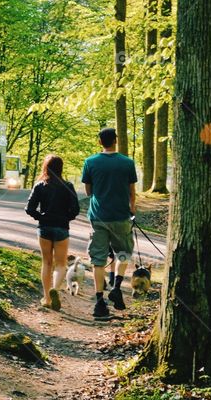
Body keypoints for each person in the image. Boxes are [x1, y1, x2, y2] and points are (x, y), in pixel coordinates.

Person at [81, 127, 137, 319]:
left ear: (100, 142)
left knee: (98, 260)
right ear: (116, 140)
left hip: (98, 217)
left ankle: (99, 302)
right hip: (121, 216)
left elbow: (88, 192)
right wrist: (133, 207)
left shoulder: (90, 162)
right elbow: (132, 191)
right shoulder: (128, 163)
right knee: (123, 253)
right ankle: (117, 287)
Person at [25, 154, 80, 311]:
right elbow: (75, 209)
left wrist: (40, 217)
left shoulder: (40, 185)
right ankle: (55, 288)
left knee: (46, 263)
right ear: (61, 168)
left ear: (46, 167)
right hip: (62, 228)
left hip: (44, 228)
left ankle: (47, 298)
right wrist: (66, 218)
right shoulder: (68, 186)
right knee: (61, 263)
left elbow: (29, 208)